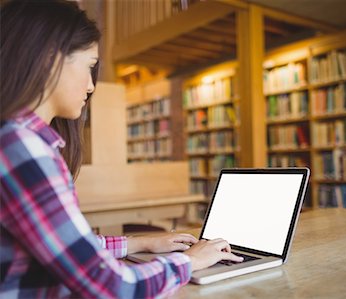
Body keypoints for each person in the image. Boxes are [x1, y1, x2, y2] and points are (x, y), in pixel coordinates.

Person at [0, 1, 243, 298]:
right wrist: (190, 261)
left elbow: (67, 246)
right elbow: (112, 287)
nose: (91, 86)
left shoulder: (14, 141)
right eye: (90, 66)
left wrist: (140, 243)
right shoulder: (24, 149)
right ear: (50, 57)